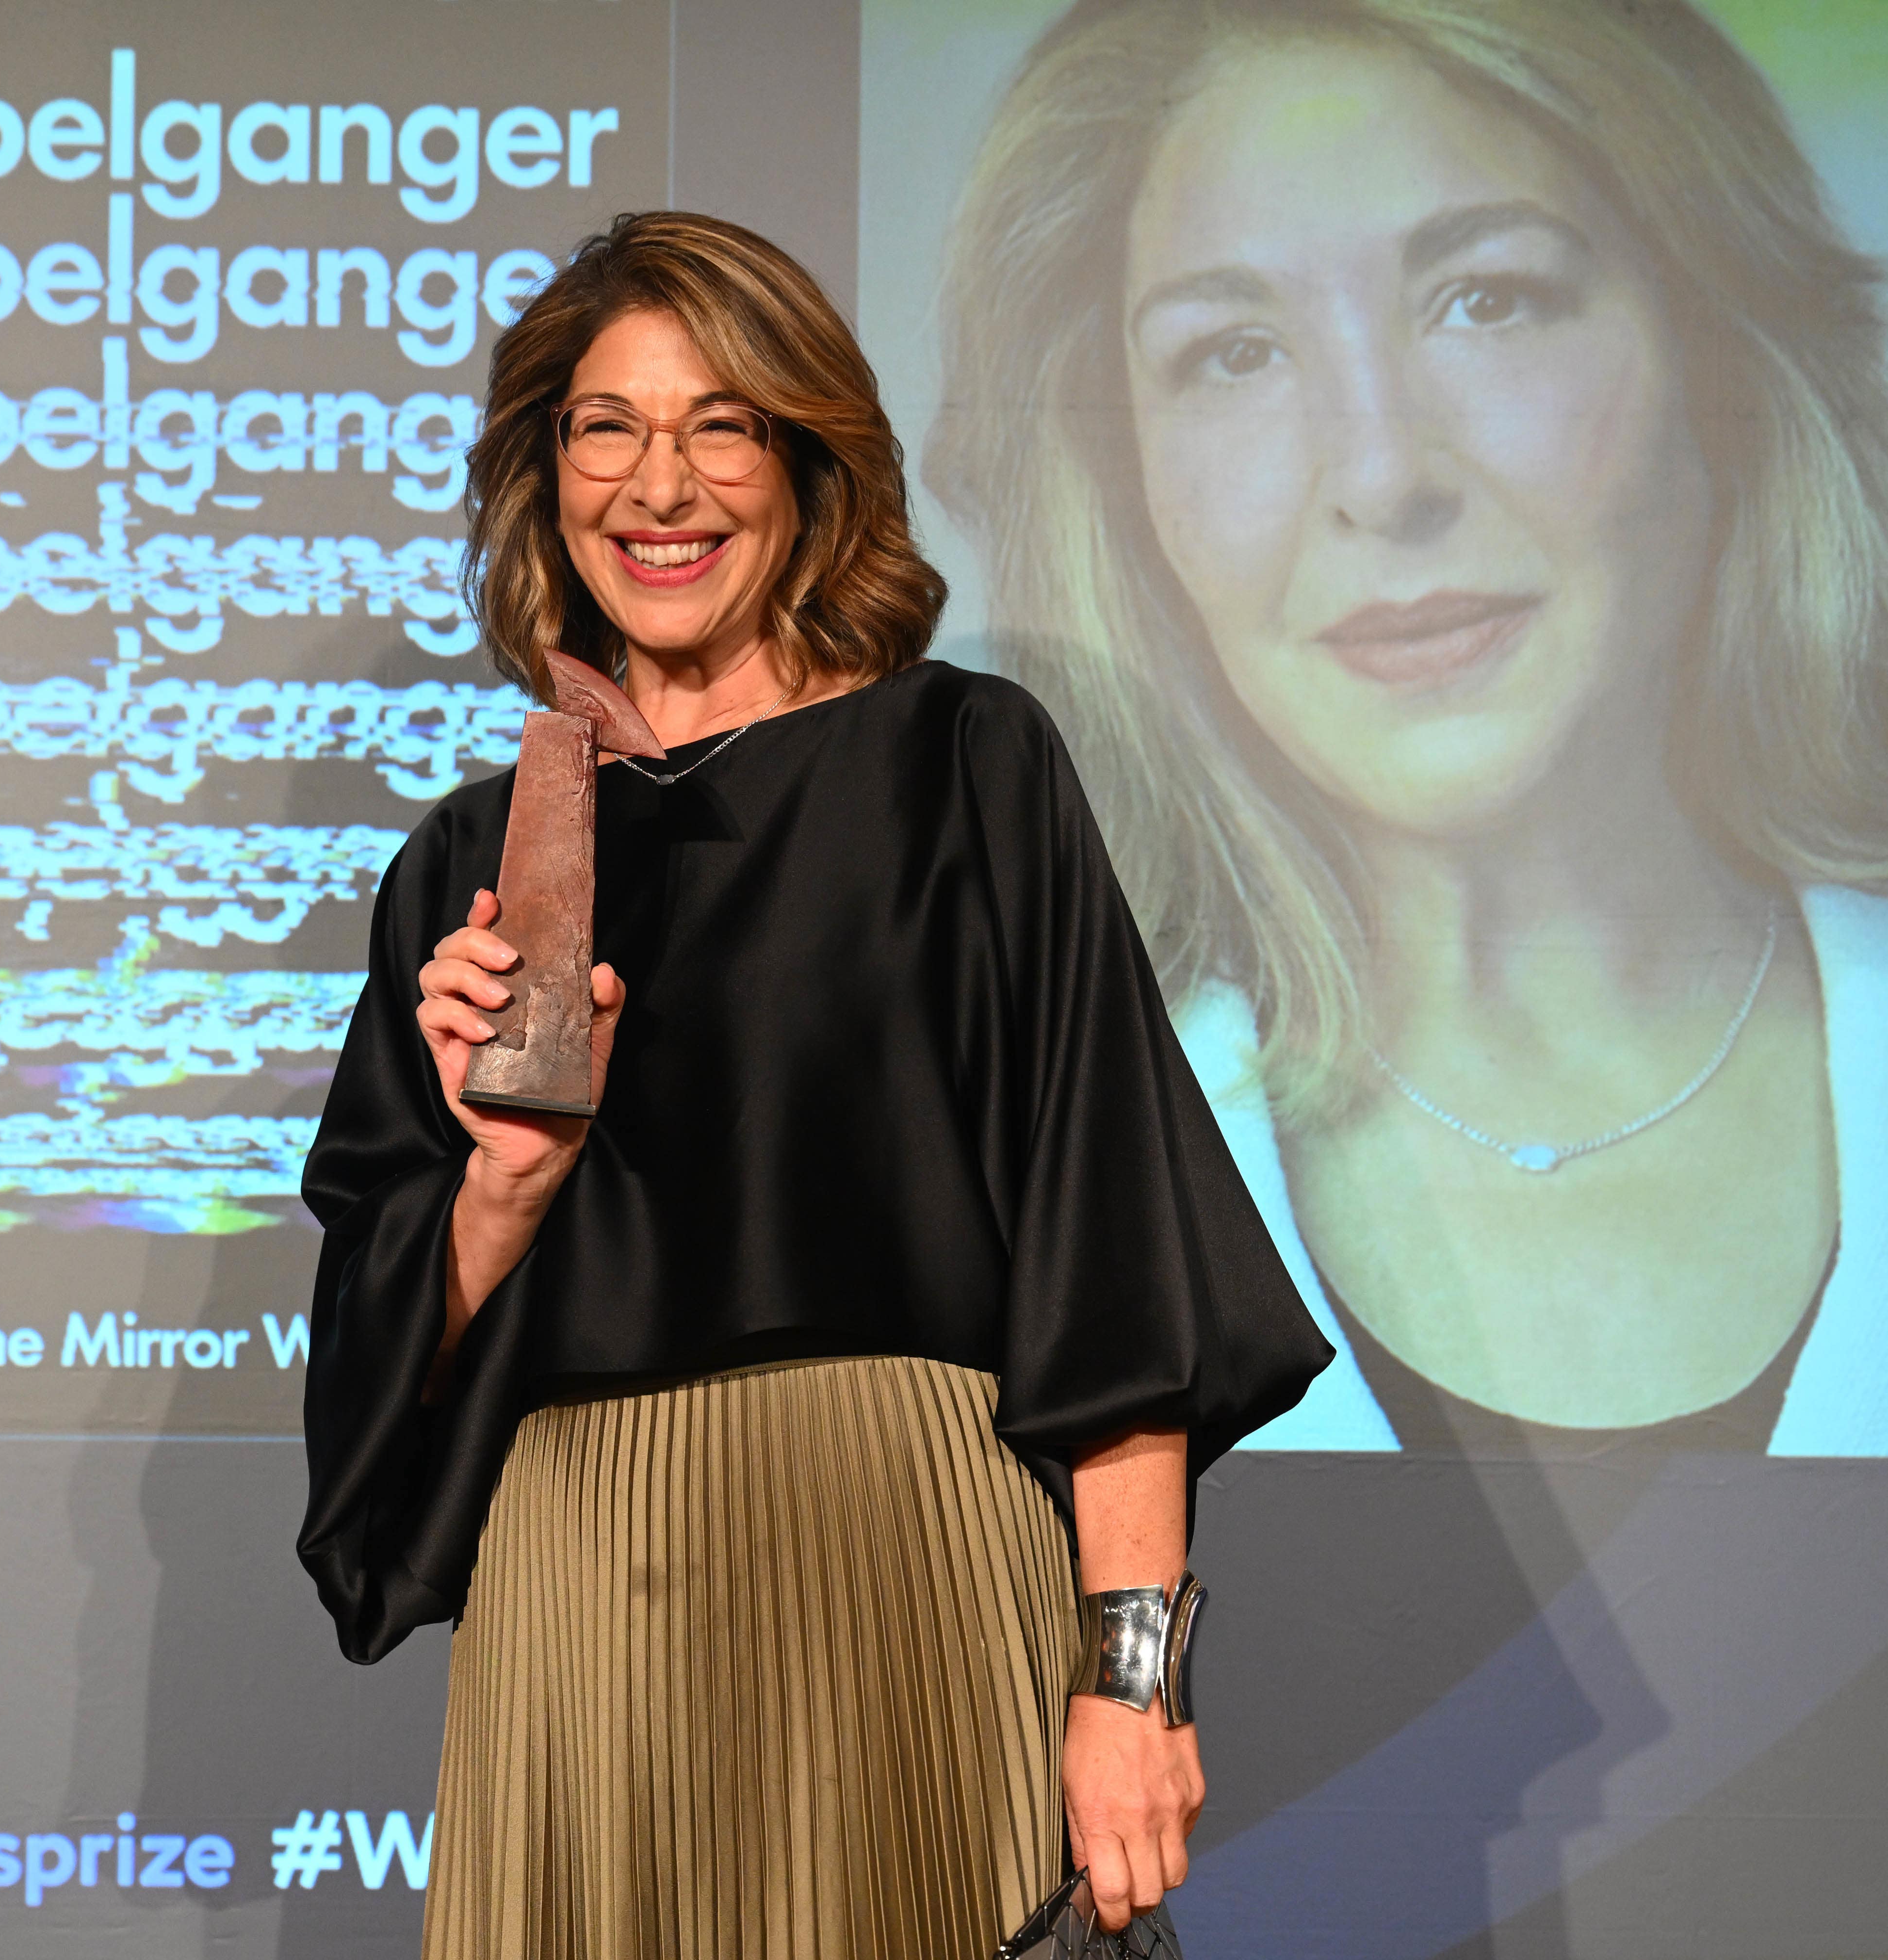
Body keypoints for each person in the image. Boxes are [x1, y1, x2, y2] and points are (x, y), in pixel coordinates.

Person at [296, 211, 1330, 1954]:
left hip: (906, 1557)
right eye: (604, 427)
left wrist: (1130, 1675)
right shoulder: (462, 872)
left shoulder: (964, 768)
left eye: (720, 422)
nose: (660, 484)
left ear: (804, 462)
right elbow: (377, 1397)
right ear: (546, 477)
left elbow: (1113, 1254)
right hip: (588, 1606)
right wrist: (498, 1185)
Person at [929, 0, 1888, 1458]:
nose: (1379, 474)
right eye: (1235, 353)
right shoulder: (971, 1165)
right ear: (1128, 483)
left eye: (1487, 299)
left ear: (1723, 364)